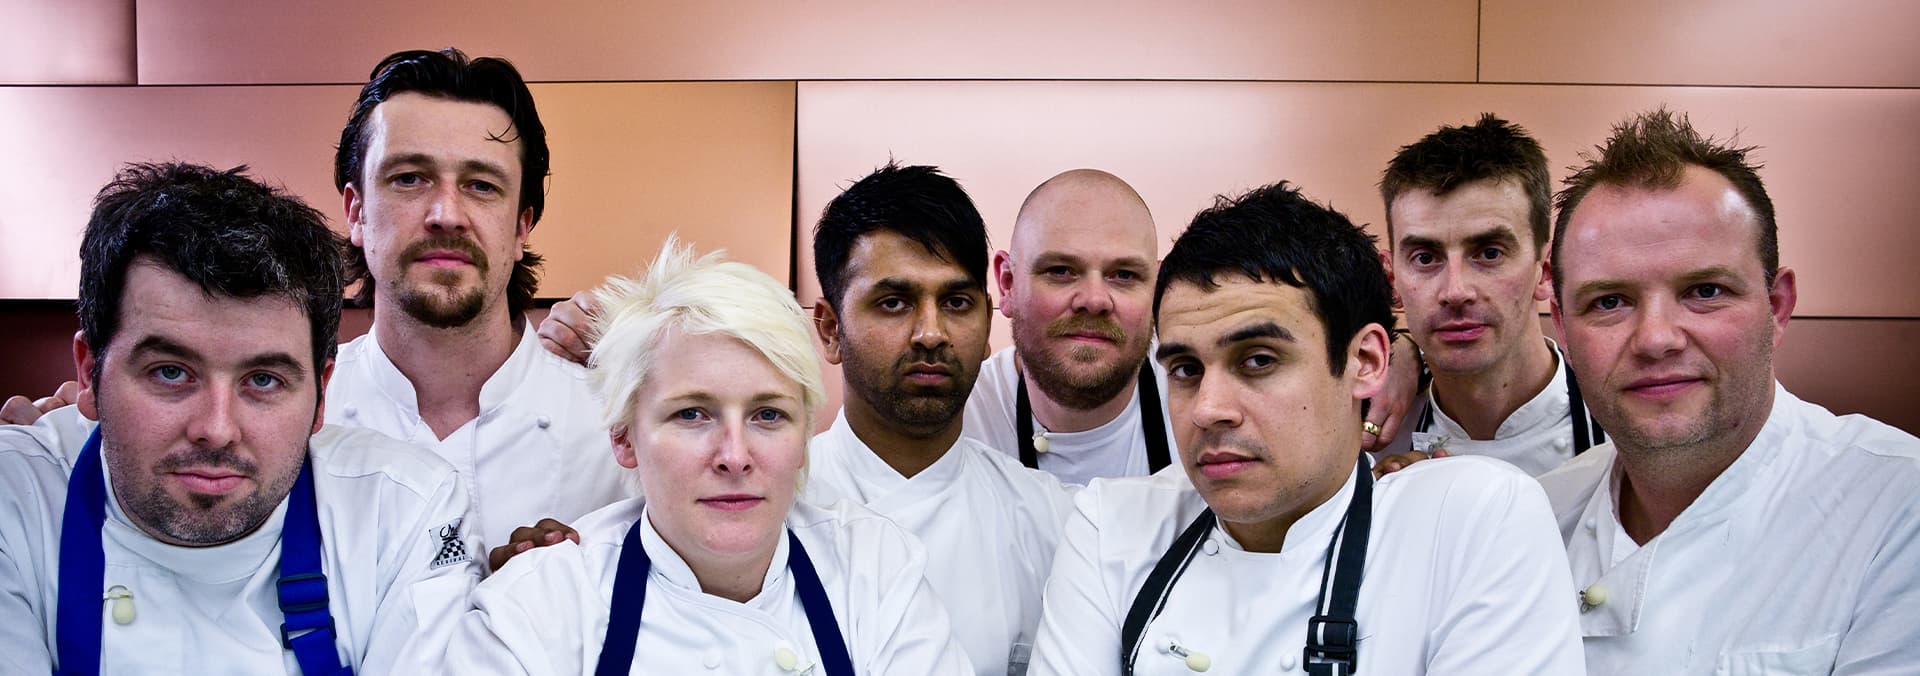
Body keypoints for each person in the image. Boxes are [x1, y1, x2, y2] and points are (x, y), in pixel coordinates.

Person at [1030, 182, 1583, 675]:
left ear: (1365, 361)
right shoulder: (1112, 527)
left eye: (1258, 361)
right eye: (1186, 370)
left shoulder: (1474, 521)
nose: (1208, 409)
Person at [0, 162, 479, 673]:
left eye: (263, 380)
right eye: (170, 372)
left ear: (321, 394)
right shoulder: (15, 498)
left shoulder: (402, 510)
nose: (217, 429)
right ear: (89, 373)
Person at [449, 239, 971, 674]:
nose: (735, 456)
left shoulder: (877, 573)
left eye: (768, 415)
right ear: (624, 438)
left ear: (804, 437)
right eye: (692, 414)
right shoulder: (535, 613)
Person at [1539, 108, 1920, 673]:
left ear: (1777, 307)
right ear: (1564, 329)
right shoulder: (1539, 516)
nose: (1656, 339)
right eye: (1609, 302)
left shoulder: (1896, 506)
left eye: (1705, 291)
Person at [327, 48, 624, 557]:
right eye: (409, 178)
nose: (447, 214)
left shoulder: (617, 428)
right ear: (356, 212)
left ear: (521, 227)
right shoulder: (295, 417)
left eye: (482, 185)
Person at [802, 163, 1075, 675]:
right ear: (831, 329)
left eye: (955, 302)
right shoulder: (773, 509)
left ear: (988, 320)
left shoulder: (1052, 521)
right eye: (893, 302)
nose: (931, 333)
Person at [1373, 114, 1606, 477]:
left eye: (1490, 253)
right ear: (1392, 281)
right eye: (1425, 258)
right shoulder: (1370, 442)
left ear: (1546, 271)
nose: (1455, 291)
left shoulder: (1621, 428)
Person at [962, 169, 1177, 485]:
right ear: (1007, 284)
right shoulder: (959, 419)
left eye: (1124, 275)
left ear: (1157, 291)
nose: (1094, 300)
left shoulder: (1200, 406)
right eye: (1061, 271)